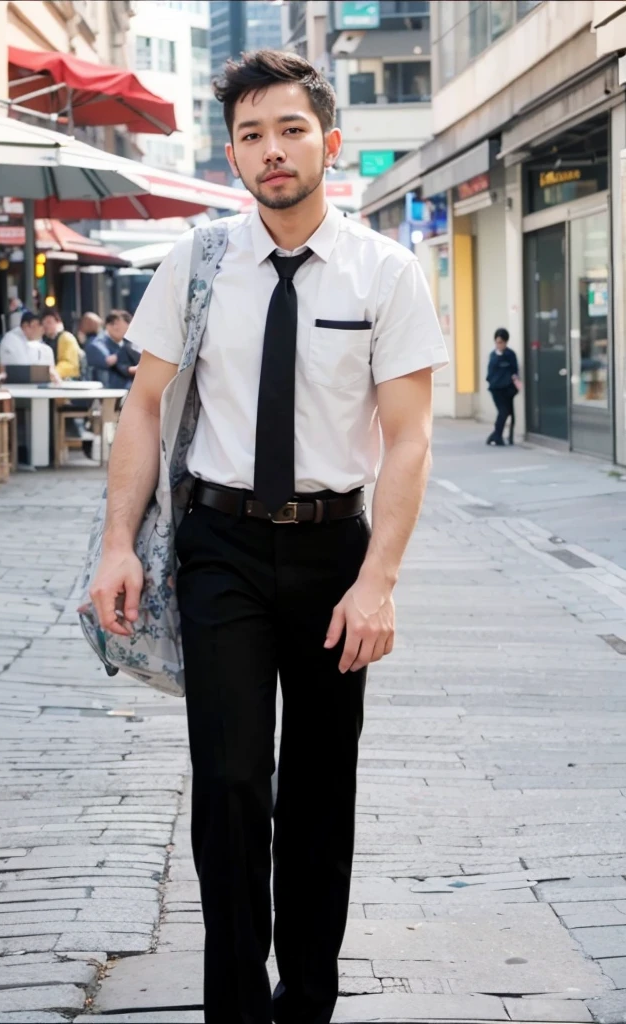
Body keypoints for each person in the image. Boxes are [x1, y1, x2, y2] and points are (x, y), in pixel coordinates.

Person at [88, 49, 448, 1024]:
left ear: (327, 143)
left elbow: (409, 440)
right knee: (232, 778)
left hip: (335, 552)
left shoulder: (383, 271)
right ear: (233, 153)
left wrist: (377, 582)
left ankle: (310, 998)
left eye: (288, 129)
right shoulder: (197, 264)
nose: (270, 150)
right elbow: (144, 406)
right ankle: (235, 1005)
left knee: (321, 789)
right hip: (222, 545)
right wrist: (119, 544)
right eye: (250, 134)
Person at [0, 311, 59, 382]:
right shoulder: (11, 339)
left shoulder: (35, 344)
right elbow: (22, 368)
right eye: (38, 325)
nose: (42, 329)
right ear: (26, 326)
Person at [85, 309, 138, 389]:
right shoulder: (96, 344)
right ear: (113, 325)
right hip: (106, 395)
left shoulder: (127, 344)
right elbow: (109, 361)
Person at [486, 327, 520, 446]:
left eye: (501, 342)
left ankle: (499, 436)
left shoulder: (510, 355)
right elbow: (490, 373)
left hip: (508, 389)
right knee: (503, 412)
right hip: (496, 389)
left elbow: (514, 371)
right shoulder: (493, 356)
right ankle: (497, 436)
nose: (499, 345)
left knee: (510, 413)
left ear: (506, 342)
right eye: (497, 342)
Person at [41, 309, 83, 380]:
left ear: (58, 323)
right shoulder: (44, 341)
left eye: (49, 322)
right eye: (43, 323)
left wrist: (52, 372)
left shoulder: (65, 337)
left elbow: (69, 364)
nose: (46, 326)